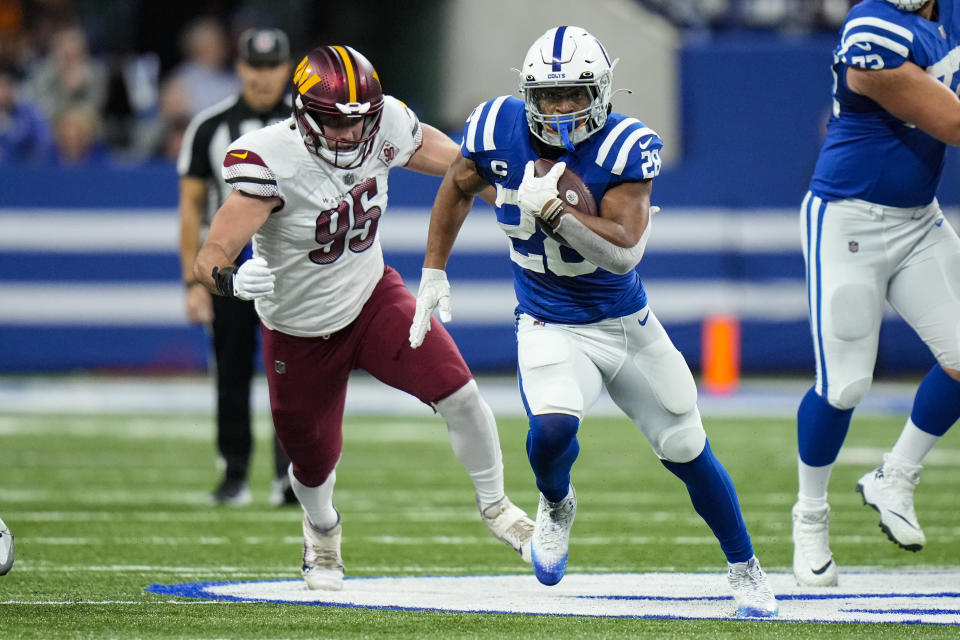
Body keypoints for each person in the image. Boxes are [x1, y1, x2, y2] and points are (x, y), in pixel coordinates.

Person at [409, 25, 777, 618]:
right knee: (552, 430)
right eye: (549, 96)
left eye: (574, 95)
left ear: (600, 92)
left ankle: (746, 568)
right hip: (548, 321)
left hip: (623, 323)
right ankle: (556, 504)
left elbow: (625, 248)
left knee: (686, 447)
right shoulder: (496, 125)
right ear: (529, 94)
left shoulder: (626, 146)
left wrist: (554, 211)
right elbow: (457, 183)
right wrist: (433, 271)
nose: (559, 109)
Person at [193, 43, 534, 590]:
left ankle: (497, 507)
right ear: (303, 112)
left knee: (460, 393)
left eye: (360, 121)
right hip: (299, 332)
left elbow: (461, 167)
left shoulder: (387, 125)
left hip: (372, 299)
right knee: (311, 464)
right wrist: (231, 280)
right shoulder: (269, 157)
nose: (351, 135)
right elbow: (210, 255)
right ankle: (323, 530)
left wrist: (513, 191)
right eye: (334, 121)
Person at [793, 0, 960, 587]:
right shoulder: (872, 27)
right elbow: (955, 124)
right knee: (844, 386)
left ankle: (897, 474)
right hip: (848, 220)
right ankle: (809, 517)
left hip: (919, 221)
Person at [178, 28, 295, 507]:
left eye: (272, 66)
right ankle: (234, 472)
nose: (263, 75)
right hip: (227, 269)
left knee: (292, 373)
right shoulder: (209, 126)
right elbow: (190, 208)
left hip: (290, 269)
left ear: (287, 68)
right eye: (255, 65)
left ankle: (292, 476)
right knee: (230, 369)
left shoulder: (308, 122)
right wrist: (194, 279)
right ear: (240, 68)